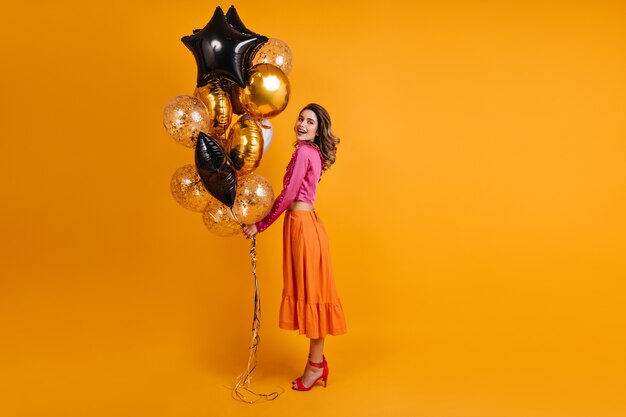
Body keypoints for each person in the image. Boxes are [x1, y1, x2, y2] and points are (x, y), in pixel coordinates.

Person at [242, 103, 347, 391]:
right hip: (305, 224)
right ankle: (316, 363)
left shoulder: (304, 152)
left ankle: (315, 367)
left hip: (302, 226)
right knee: (315, 294)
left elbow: (288, 195)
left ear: (318, 130)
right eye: (301, 119)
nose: (302, 124)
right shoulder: (311, 152)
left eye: (310, 122)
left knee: (314, 295)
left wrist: (260, 224)